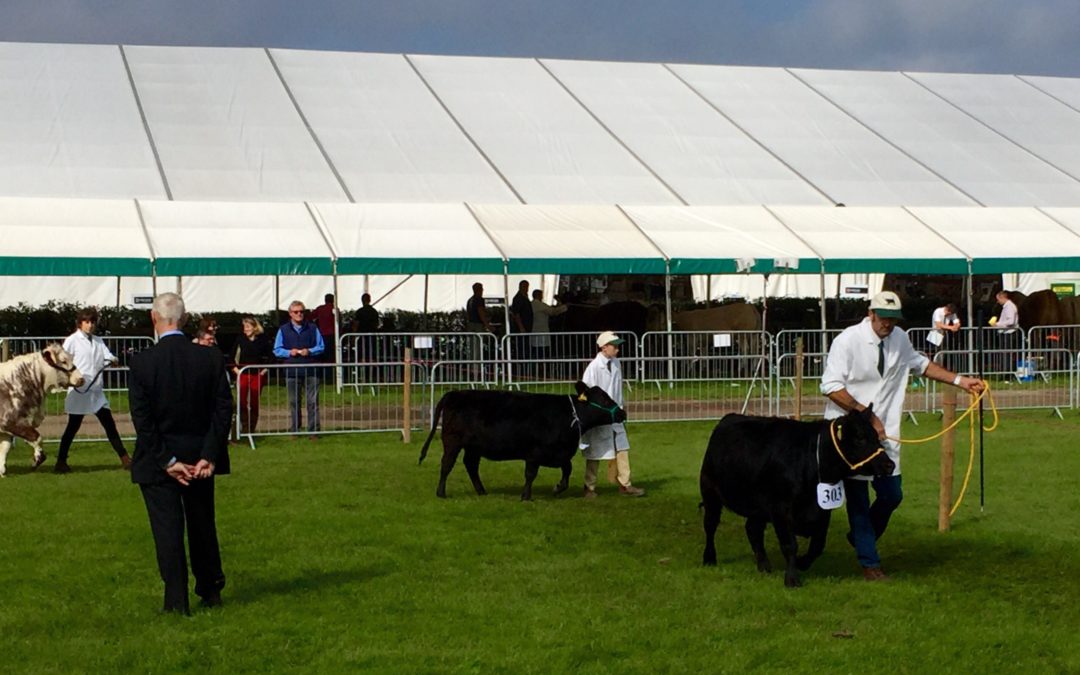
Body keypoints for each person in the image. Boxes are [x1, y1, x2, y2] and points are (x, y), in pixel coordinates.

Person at [821, 291, 984, 582]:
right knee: (857, 499)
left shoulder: (900, 338)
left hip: (886, 433)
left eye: (894, 319)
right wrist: (865, 415)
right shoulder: (847, 340)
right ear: (871, 313)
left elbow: (921, 365)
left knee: (892, 495)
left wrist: (960, 381)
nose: (888, 324)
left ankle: (861, 538)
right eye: (884, 318)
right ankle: (870, 563)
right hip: (853, 436)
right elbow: (830, 386)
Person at [128, 292, 232, 614]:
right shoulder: (210, 358)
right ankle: (210, 587)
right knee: (202, 525)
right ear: (184, 320)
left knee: (167, 531)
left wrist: (167, 461)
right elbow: (223, 409)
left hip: (160, 461)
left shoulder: (143, 363)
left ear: (153, 318)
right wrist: (209, 454)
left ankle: (176, 600)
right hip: (200, 455)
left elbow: (142, 420)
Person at [55, 308, 132, 473]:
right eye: (87, 322)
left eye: (92, 322)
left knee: (110, 425)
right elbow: (63, 363)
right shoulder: (72, 341)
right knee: (72, 427)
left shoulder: (98, 340)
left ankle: (125, 458)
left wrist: (113, 359)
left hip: (96, 391)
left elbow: (108, 355)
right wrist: (70, 380)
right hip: (79, 391)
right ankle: (61, 461)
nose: (90, 325)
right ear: (80, 323)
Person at [579, 331, 645, 498]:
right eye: (614, 346)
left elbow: (617, 388)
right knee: (595, 452)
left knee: (622, 448)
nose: (617, 349)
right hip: (599, 417)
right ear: (604, 347)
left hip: (614, 413)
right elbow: (586, 393)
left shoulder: (616, 363)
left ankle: (625, 484)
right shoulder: (593, 367)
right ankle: (589, 487)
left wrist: (620, 408)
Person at [274, 300, 324, 438]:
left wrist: (310, 351)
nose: (299, 314)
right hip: (292, 370)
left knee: (312, 402)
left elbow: (321, 346)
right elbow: (277, 350)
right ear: (290, 314)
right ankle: (295, 429)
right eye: (296, 312)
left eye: (301, 311)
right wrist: (289, 352)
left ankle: (313, 431)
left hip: (311, 369)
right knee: (293, 402)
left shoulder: (313, 328)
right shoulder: (283, 330)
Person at [230, 316, 274, 436]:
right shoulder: (240, 340)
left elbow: (271, 356)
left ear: (254, 327)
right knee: (242, 401)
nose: (246, 329)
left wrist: (264, 370)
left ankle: (251, 429)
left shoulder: (262, 340)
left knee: (254, 401)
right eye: (244, 327)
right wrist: (236, 370)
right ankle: (244, 426)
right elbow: (232, 356)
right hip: (243, 374)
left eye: (248, 327)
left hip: (257, 375)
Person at [530, 289, 567, 380]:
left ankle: (537, 372)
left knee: (536, 354)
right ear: (539, 296)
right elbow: (552, 311)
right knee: (542, 355)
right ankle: (541, 373)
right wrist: (564, 307)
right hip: (541, 333)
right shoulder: (539, 305)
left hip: (534, 332)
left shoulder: (531, 304)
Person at [994, 289, 1021, 377]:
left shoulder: (1009, 307)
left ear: (1002, 298)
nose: (997, 302)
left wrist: (997, 324)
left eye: (998, 299)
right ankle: (1006, 373)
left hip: (1008, 333)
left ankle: (1007, 374)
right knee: (1005, 354)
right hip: (1006, 333)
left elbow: (1011, 321)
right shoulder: (1007, 306)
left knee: (1006, 354)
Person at [928, 302, 961, 370]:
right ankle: (933, 368)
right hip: (935, 334)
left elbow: (957, 322)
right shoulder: (938, 311)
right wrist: (951, 327)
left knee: (942, 353)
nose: (949, 315)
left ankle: (939, 368)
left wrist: (956, 326)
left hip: (944, 334)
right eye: (948, 313)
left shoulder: (952, 313)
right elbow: (938, 325)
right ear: (946, 309)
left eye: (950, 314)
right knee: (935, 352)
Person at [308, 293, 337, 365]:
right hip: (332, 334)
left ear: (325, 300)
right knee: (331, 354)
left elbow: (309, 317)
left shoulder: (320, 308)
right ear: (333, 300)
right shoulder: (335, 309)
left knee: (321, 353)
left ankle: (322, 370)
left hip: (321, 334)